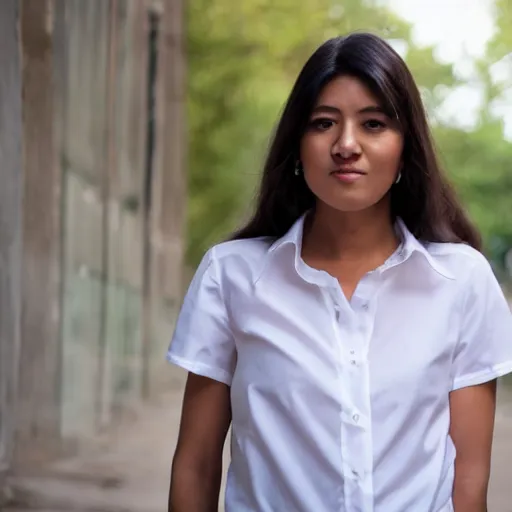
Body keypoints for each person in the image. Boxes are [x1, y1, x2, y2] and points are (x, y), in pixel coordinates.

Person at [166, 32, 512, 512]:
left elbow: (469, 482)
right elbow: (196, 465)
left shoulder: (462, 283)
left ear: (405, 149)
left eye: (373, 124)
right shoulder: (232, 277)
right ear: (297, 144)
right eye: (324, 123)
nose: (346, 145)